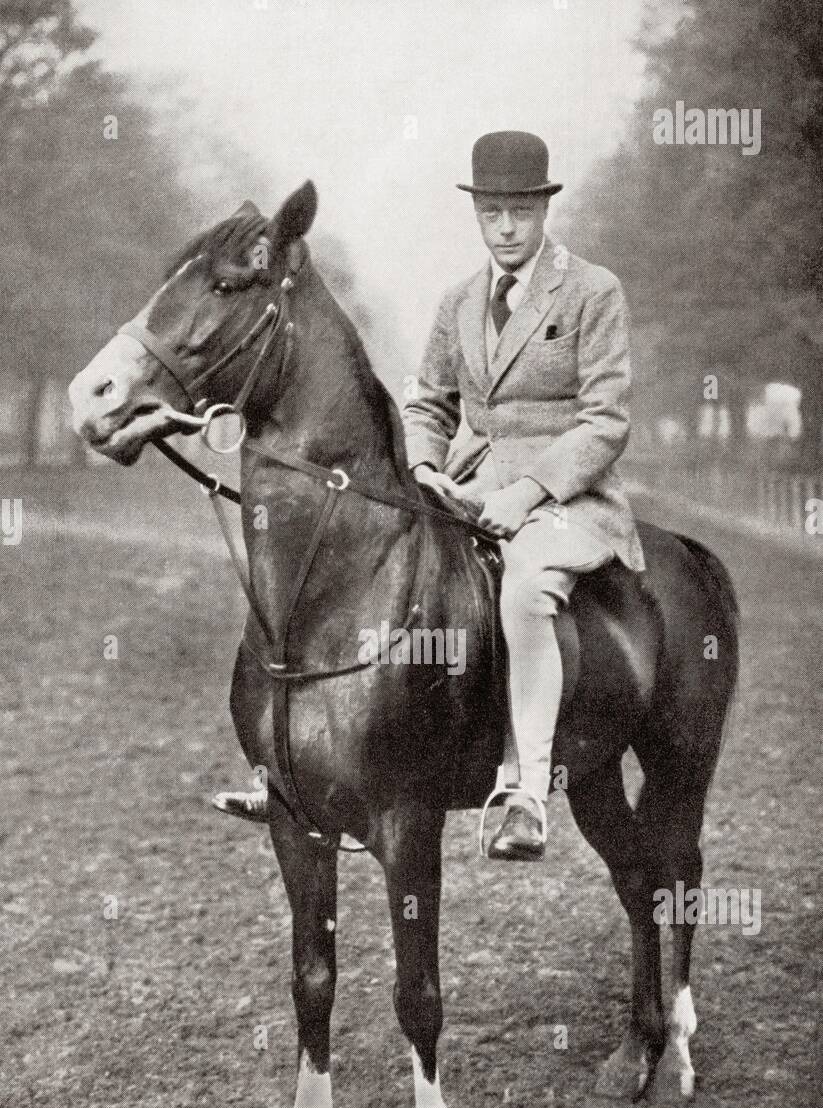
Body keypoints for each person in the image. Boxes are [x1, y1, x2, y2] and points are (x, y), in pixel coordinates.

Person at [214, 130, 645, 860]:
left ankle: (525, 791)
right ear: (476, 214)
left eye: (518, 212)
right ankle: (307, 769)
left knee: (523, 592)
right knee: (371, 577)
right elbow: (426, 404)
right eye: (491, 213)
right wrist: (422, 468)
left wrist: (532, 490)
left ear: (542, 212)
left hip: (568, 500)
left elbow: (604, 419)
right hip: (469, 489)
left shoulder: (591, 292)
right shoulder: (459, 302)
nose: (505, 228)